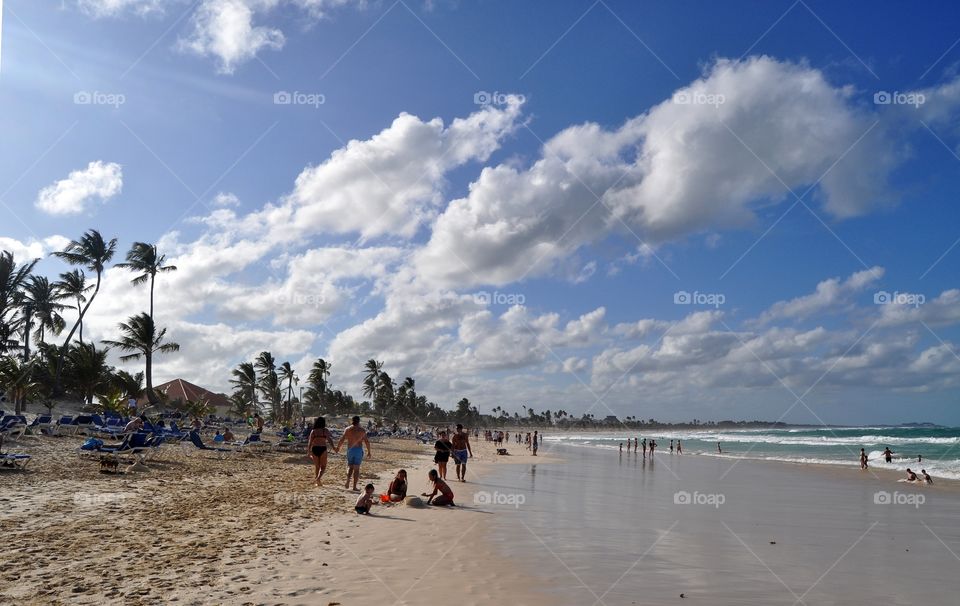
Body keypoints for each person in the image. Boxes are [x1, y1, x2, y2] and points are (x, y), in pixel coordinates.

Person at [336, 416, 372, 491]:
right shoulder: (362, 430)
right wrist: (369, 452)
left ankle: (348, 479)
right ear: (358, 421)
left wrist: (338, 448)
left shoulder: (348, 429)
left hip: (350, 450)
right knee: (356, 469)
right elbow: (366, 441)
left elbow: (342, 439)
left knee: (350, 466)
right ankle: (354, 486)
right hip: (358, 450)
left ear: (352, 421)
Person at [308, 417, 336, 486]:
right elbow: (330, 439)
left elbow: (310, 442)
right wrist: (334, 447)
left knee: (317, 466)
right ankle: (318, 478)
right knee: (323, 466)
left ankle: (318, 481)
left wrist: (308, 451)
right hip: (322, 448)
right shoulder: (325, 430)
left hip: (314, 448)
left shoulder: (313, 431)